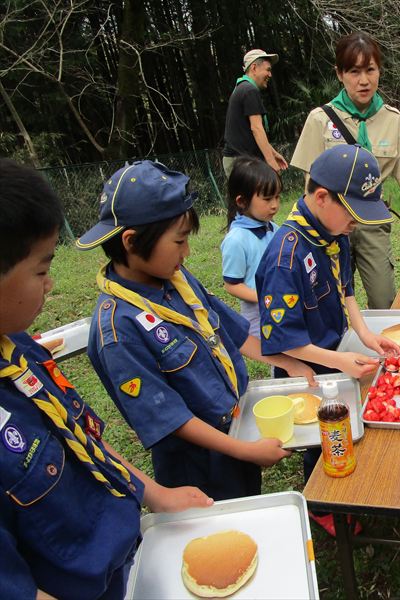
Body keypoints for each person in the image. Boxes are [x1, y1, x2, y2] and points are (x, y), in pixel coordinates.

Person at [0, 159, 212, 600]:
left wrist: (151, 492)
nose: (51, 284)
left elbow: (78, 432)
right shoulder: (117, 326)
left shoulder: (18, 350)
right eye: (41, 271)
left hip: (129, 556)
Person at [77, 160, 315, 501]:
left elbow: (230, 331)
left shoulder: (176, 278)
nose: (186, 252)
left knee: (245, 502)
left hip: (236, 427)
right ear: (131, 241)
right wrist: (244, 451)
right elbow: (170, 419)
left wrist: (288, 363)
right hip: (197, 464)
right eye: (179, 241)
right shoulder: (117, 331)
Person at [256, 145, 400, 535]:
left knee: (344, 420)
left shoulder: (335, 230)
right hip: (304, 360)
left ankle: (343, 485)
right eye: (354, 213)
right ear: (321, 197)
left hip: (334, 347)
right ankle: (320, 502)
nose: (357, 223)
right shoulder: (285, 256)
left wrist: (366, 335)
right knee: (318, 435)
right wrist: (338, 362)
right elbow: (280, 337)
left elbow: (346, 289)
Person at [291, 32, 400, 310]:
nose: (364, 80)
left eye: (370, 70)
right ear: (339, 73)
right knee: (329, 302)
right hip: (331, 225)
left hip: (372, 223)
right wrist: (314, 231)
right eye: (354, 71)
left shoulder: (393, 120)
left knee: (384, 299)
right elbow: (310, 183)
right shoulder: (320, 120)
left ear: (379, 71)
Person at [221, 157, 281, 337]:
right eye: (268, 199)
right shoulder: (236, 240)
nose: (275, 205)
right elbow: (232, 286)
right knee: (280, 359)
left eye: (277, 197)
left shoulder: (273, 228)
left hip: (283, 304)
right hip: (259, 314)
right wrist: (265, 299)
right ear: (241, 201)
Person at [222, 49, 288, 177]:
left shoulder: (242, 88)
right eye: (268, 70)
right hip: (241, 162)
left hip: (238, 160)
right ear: (254, 68)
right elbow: (256, 128)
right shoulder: (249, 90)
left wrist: (273, 153)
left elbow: (248, 131)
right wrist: (271, 162)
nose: (270, 75)